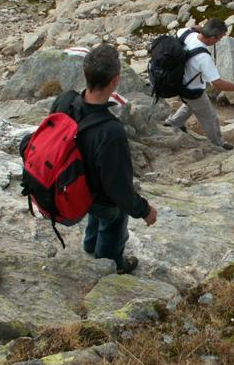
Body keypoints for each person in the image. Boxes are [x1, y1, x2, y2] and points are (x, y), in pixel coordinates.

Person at [50, 44, 157, 274]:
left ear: (85, 73)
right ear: (115, 80)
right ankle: (110, 265)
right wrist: (144, 210)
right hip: (100, 197)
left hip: (73, 185)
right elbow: (118, 187)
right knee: (113, 220)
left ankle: (90, 244)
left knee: (96, 212)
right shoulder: (110, 131)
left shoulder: (65, 101)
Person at [164, 18, 234, 150]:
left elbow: (194, 28)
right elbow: (217, 83)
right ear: (213, 37)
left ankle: (173, 123)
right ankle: (218, 144)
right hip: (192, 90)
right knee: (210, 117)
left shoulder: (184, 32)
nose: (219, 41)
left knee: (191, 105)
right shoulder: (203, 58)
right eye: (219, 38)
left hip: (177, 81)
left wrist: (202, 28)